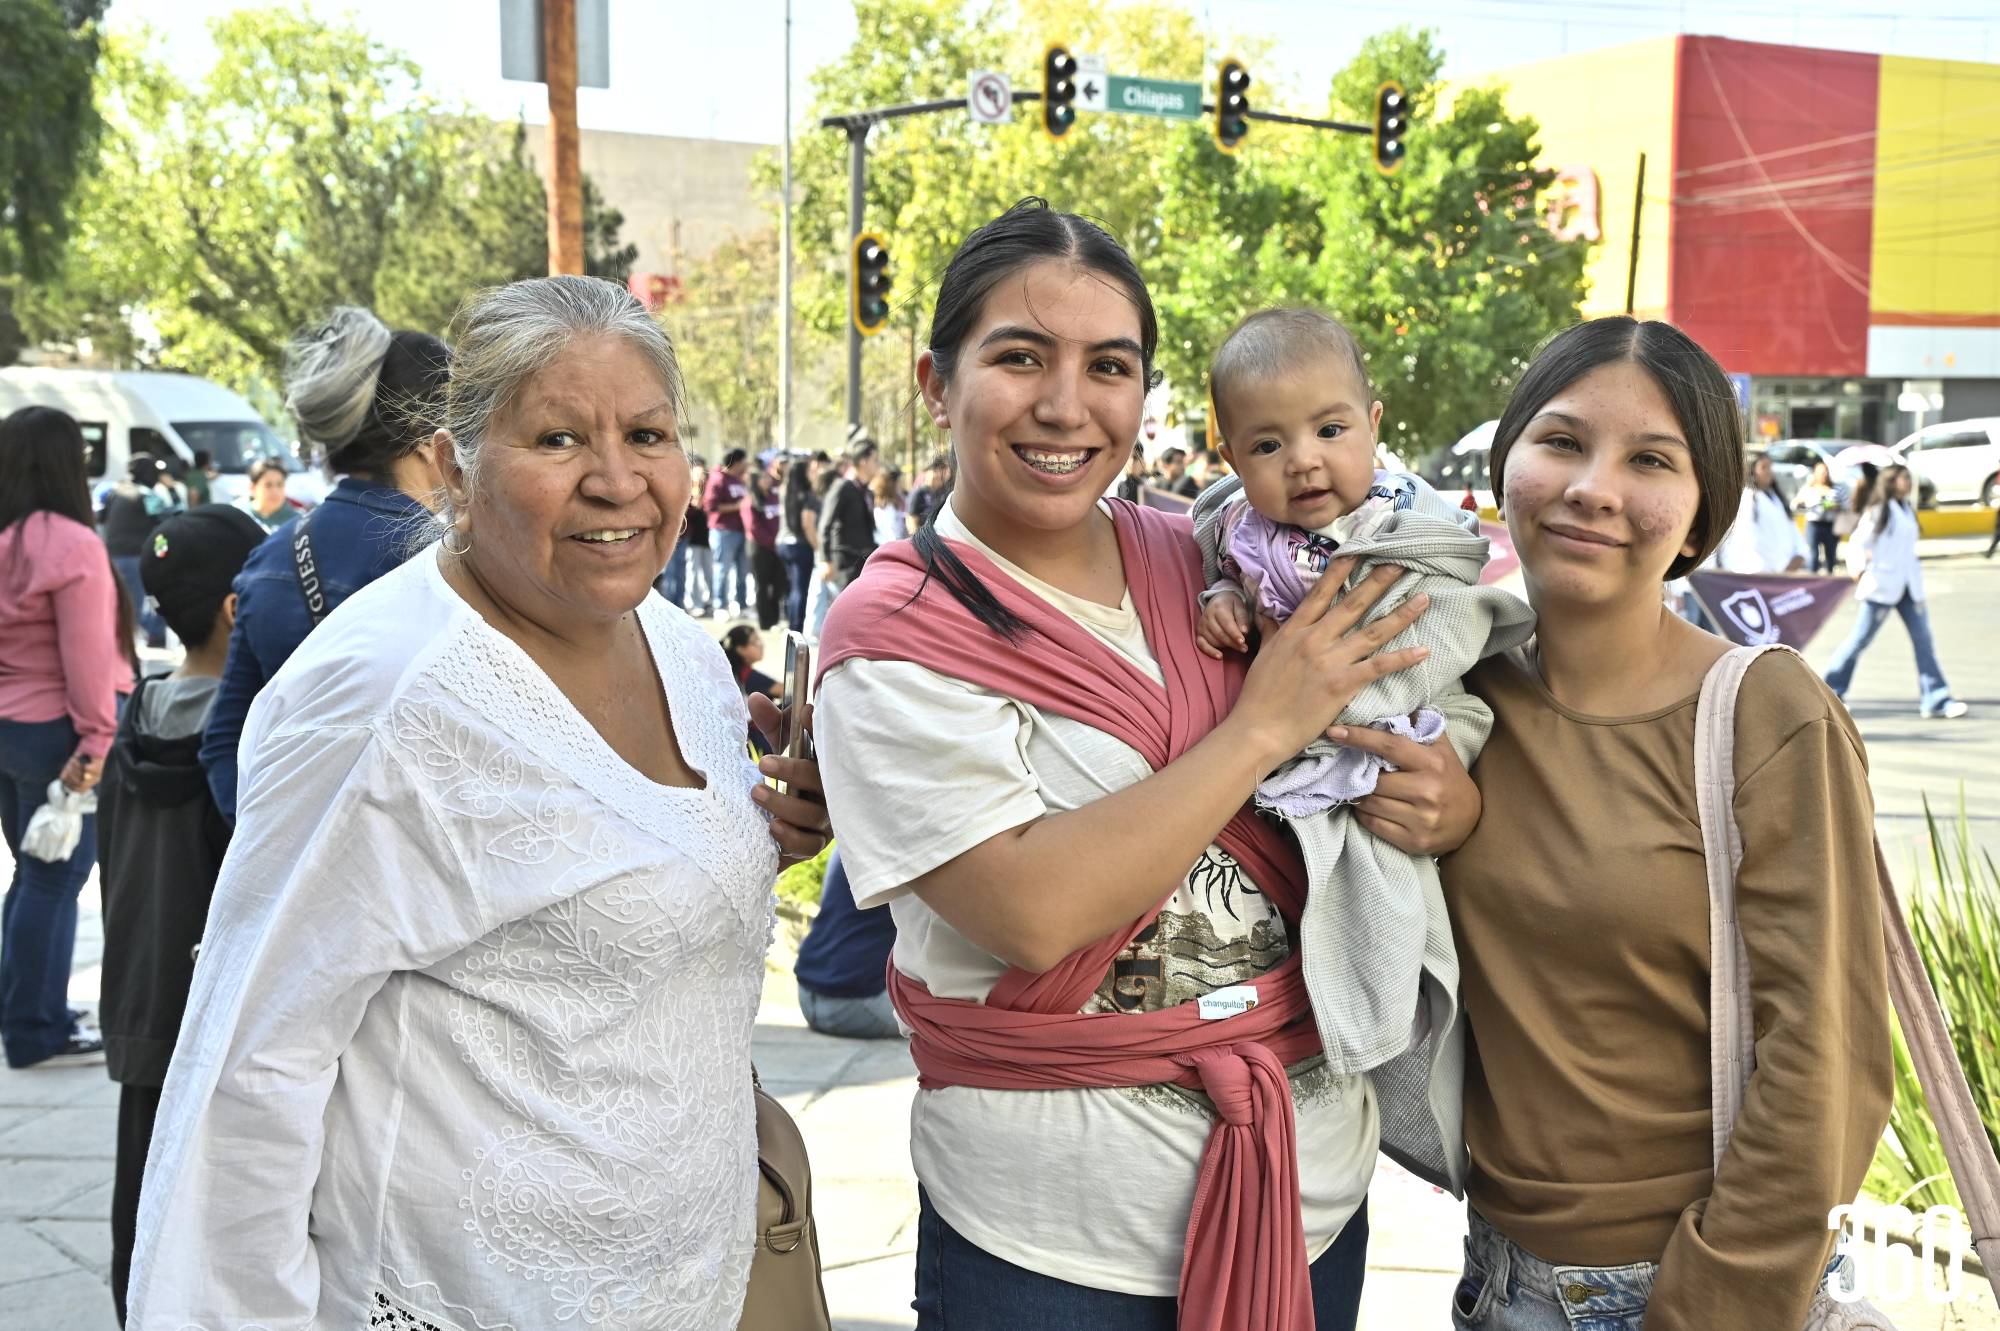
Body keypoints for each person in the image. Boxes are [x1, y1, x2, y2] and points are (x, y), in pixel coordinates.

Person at [127, 275, 832, 1329]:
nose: (615, 479)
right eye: (556, 440)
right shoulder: (380, 695)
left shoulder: (683, 650)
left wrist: (761, 838)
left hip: (697, 1275)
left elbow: (591, 892)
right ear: (453, 469)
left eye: (647, 433)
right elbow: (248, 1070)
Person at [815, 199, 1462, 1330]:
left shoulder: (1216, 554)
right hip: (1047, 1241)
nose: (1066, 405)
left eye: (1107, 367)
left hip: (1307, 1192)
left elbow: (1407, 711)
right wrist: (1259, 725)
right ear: (935, 381)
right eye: (1019, 357)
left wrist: (1444, 799)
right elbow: (1030, 909)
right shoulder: (900, 629)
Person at [1440, 317, 1892, 1328]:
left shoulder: (1762, 711)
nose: (1591, 487)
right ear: (1505, 464)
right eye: (1558, 441)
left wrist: (1710, 1300)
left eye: (1648, 459)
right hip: (1493, 1277)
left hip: (1681, 1285)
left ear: (1698, 516)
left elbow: (1826, 1060)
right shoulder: (1454, 698)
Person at [1188, 308, 1533, 1095]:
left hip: (1393, 725)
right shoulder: (1239, 529)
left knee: (1388, 879)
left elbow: (1440, 621)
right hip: (1285, 760)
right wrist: (1222, 603)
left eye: (1331, 430)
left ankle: (1385, 1015)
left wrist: (1321, 701)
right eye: (1268, 445)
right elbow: (1228, 583)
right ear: (1231, 455)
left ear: (1373, 425)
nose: (1304, 462)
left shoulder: (1404, 523)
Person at [96, 503, 267, 1323]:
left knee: (144, 1229)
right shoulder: (246, 746)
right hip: (219, 1025)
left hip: (140, 1010)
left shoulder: (131, 725)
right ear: (241, 608)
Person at [199, 307, 450, 823]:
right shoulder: (450, 563)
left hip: (293, 866)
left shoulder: (270, 555)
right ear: (430, 441)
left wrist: (272, 845)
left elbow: (224, 738)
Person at [0, 406, 137, 1069]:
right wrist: (96, 741)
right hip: (60, 727)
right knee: (55, 877)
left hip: (8, 727)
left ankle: (26, 1014)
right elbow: (86, 657)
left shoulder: (6, 538)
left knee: (31, 875)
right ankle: (36, 1028)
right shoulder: (70, 543)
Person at [1821, 463, 1969, 720]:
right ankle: (1831, 691)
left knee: (1923, 640)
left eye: (1909, 478)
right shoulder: (1879, 510)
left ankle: (1936, 698)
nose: (1908, 483)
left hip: (1908, 587)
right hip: (1882, 586)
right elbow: (1858, 542)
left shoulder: (1905, 509)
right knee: (1859, 640)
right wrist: (1857, 569)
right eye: (1903, 478)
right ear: (1890, 481)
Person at [793, 849, 900, 1040]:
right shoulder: (906, 846)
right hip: (857, 1002)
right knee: (952, 1032)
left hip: (807, 996)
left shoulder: (845, 842)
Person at [100, 455, 174, 648]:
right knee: (146, 602)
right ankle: (156, 632)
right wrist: (172, 490)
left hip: (113, 556)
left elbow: (100, 517)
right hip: (135, 557)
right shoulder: (148, 495)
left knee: (128, 602)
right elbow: (169, 520)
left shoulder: (115, 491)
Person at [812, 435, 879, 636]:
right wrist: (825, 559)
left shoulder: (866, 490)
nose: (878, 465)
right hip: (844, 559)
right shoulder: (843, 486)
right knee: (843, 609)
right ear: (863, 461)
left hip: (863, 558)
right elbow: (825, 523)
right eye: (875, 460)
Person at [1714, 450, 1805, 574]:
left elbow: (1791, 532)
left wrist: (1799, 554)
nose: (1769, 472)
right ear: (1751, 470)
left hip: (1780, 573)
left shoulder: (1776, 498)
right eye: (1764, 467)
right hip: (1754, 574)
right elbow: (1746, 540)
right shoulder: (1746, 499)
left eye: (1770, 467)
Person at [705, 446, 752, 616]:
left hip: (741, 531)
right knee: (722, 569)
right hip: (723, 531)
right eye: (744, 462)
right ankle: (720, 605)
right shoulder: (718, 479)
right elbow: (710, 506)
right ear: (737, 462)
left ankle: (742, 605)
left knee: (742, 571)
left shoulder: (739, 480)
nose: (746, 465)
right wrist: (737, 506)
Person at [780, 451, 820, 631]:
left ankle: (791, 624)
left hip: (782, 543)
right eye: (811, 470)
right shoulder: (807, 496)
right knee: (800, 589)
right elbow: (808, 525)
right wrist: (818, 548)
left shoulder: (784, 491)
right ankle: (796, 629)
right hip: (800, 546)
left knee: (792, 588)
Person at [745, 462, 787, 630]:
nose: (768, 480)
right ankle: (765, 621)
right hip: (759, 549)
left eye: (768, 477)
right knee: (762, 585)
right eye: (763, 478)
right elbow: (754, 528)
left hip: (776, 548)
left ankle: (776, 619)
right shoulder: (750, 501)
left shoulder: (774, 497)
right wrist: (772, 542)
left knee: (778, 584)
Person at [1794, 456, 1847, 574]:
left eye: (1826, 472)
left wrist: (1835, 506)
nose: (1824, 475)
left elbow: (1847, 506)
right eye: (1821, 473)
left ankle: (1829, 584)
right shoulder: (1809, 488)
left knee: (1831, 556)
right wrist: (1806, 503)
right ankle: (1812, 581)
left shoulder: (1837, 488)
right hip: (1814, 524)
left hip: (1830, 525)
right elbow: (1796, 503)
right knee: (1813, 556)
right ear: (1815, 474)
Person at [232, 457, 298, 533]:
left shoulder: (297, 521)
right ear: (253, 488)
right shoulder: (237, 514)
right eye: (268, 485)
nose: (275, 491)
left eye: (280, 485)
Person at [906, 450, 952, 528]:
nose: (940, 476)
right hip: (924, 536)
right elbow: (911, 521)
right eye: (936, 471)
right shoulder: (919, 493)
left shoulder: (945, 493)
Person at [871, 466, 908, 545]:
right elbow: (892, 535)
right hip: (889, 548)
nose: (901, 484)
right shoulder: (886, 507)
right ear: (891, 485)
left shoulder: (896, 502)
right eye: (898, 481)